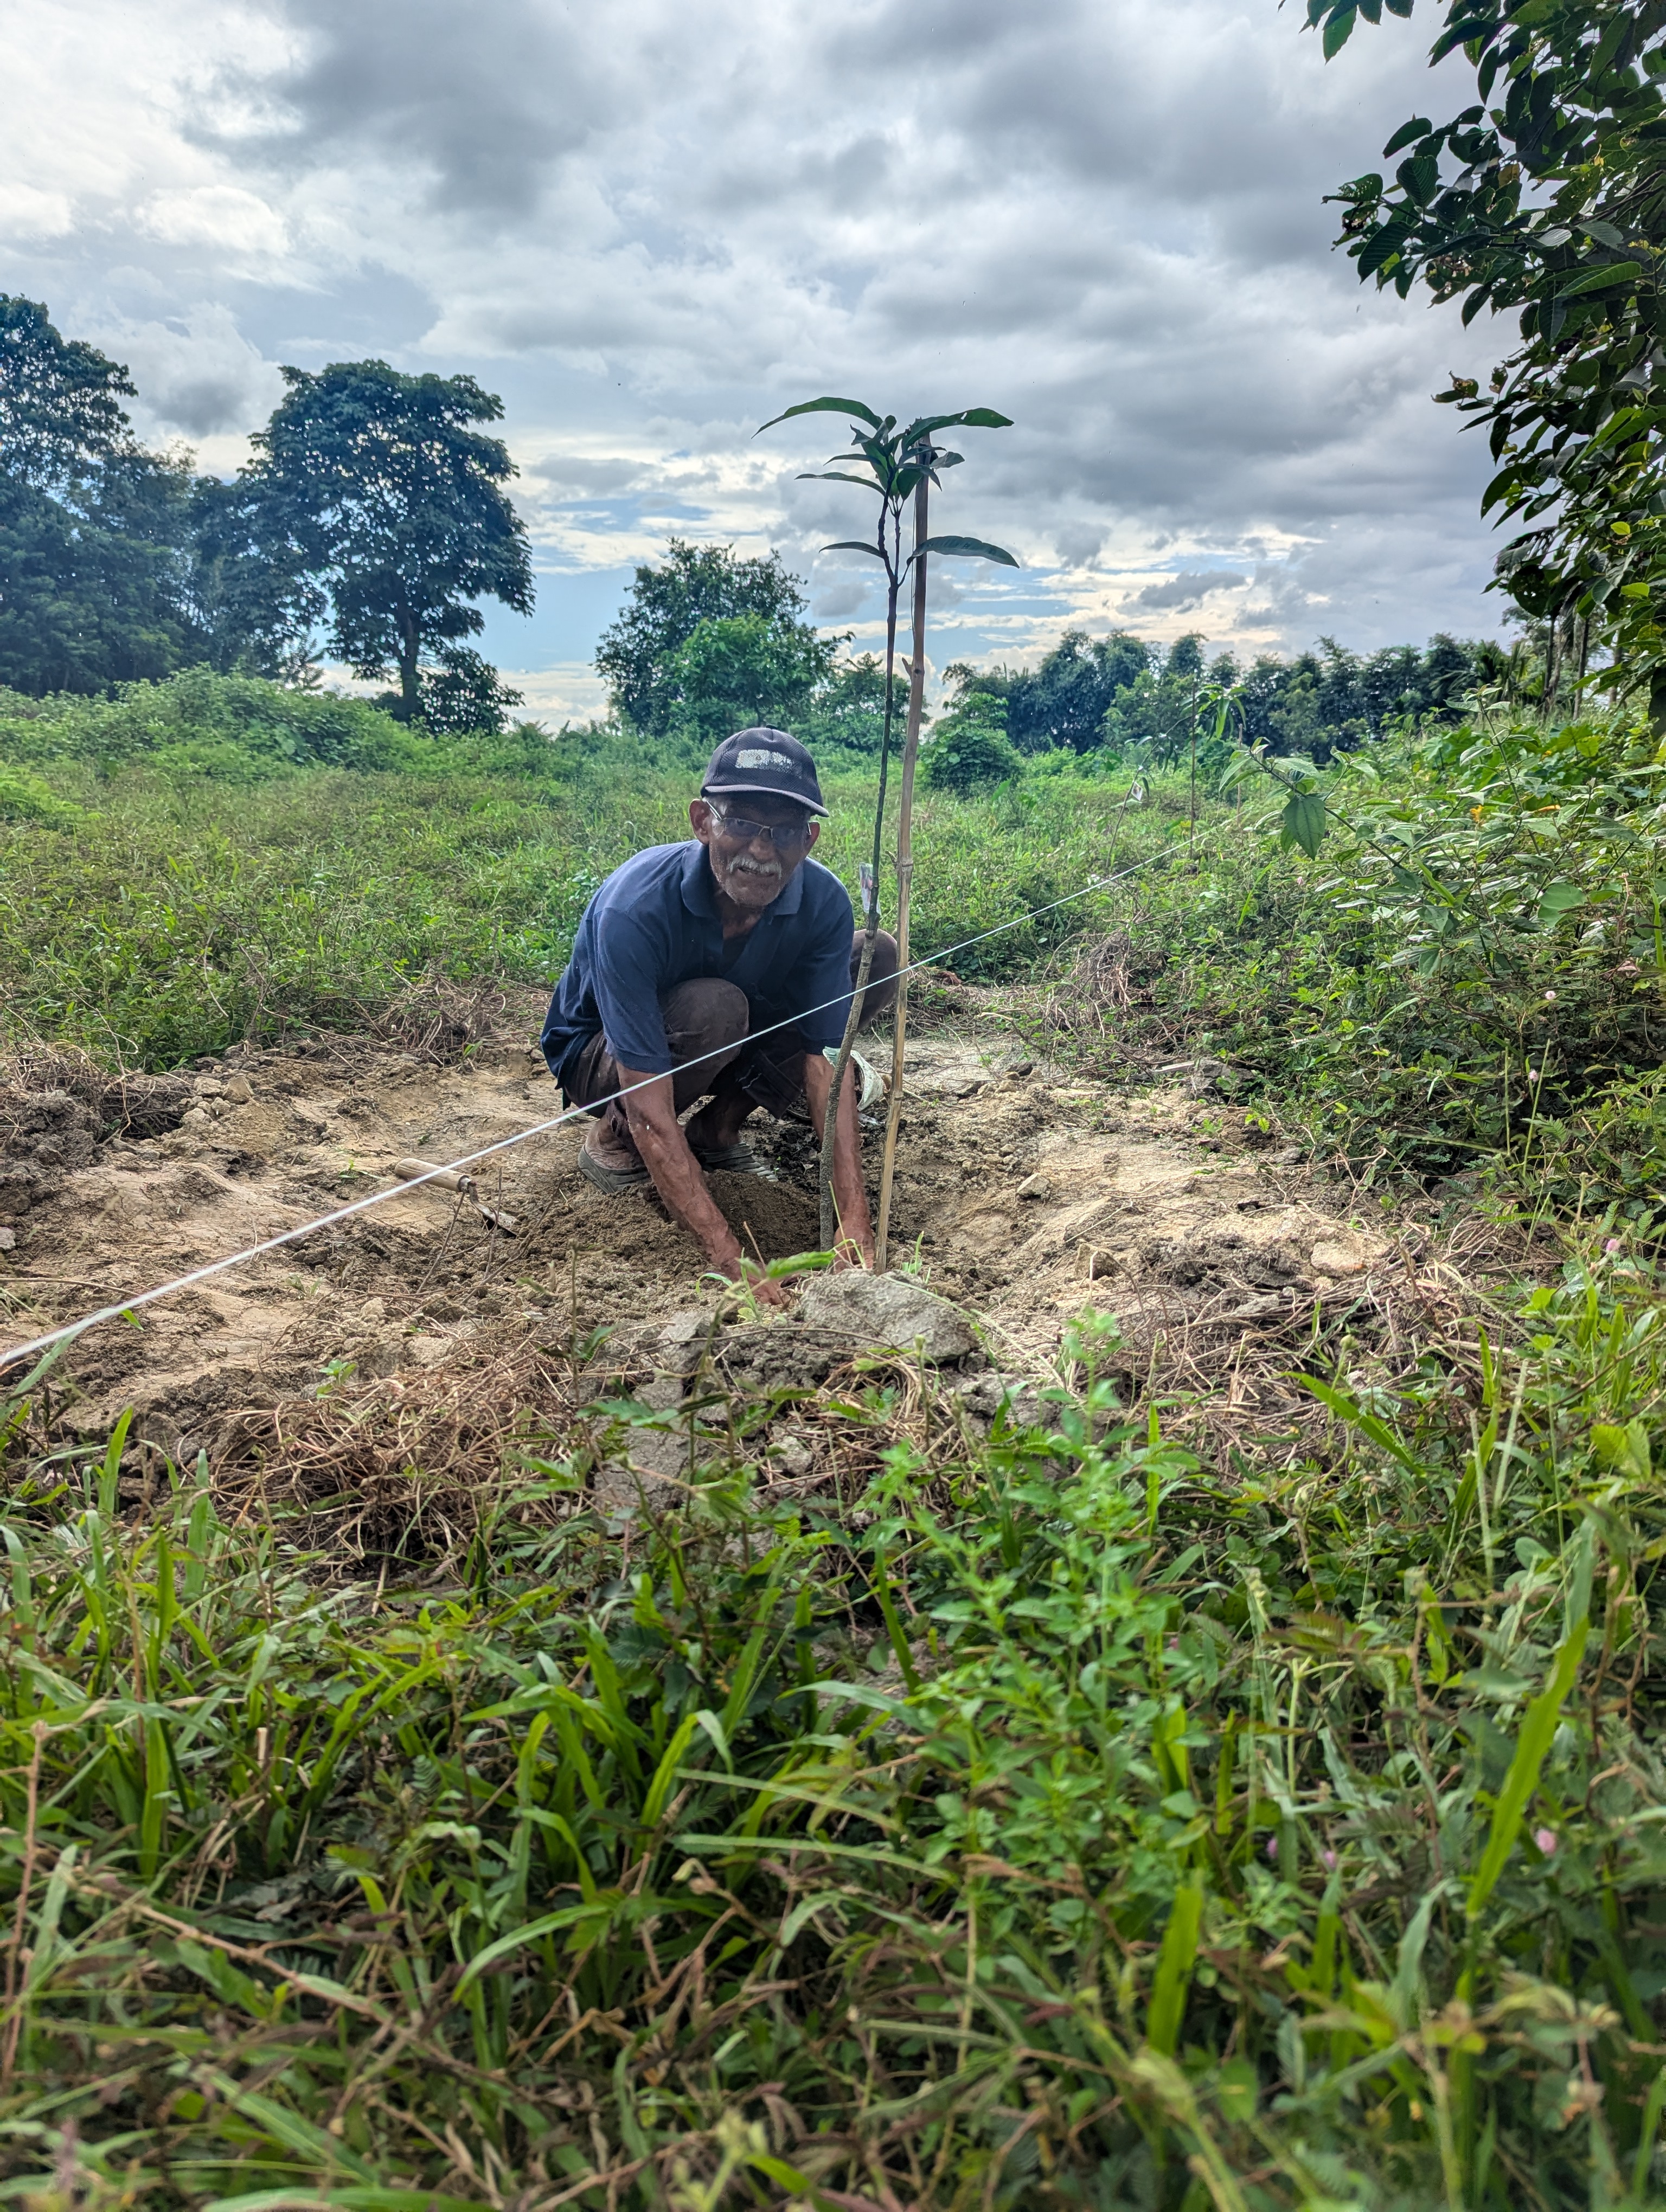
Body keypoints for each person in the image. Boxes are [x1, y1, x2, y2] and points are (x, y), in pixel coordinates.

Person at [541, 728, 897, 1303]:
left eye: (782, 832)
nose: (761, 851)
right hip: (602, 1054)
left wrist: (852, 1224)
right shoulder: (635, 906)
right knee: (715, 1009)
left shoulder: (823, 901)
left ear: (809, 839)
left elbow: (823, 1064)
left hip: (731, 1024)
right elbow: (646, 1093)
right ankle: (614, 1140)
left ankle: (716, 1129)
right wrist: (729, 1257)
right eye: (741, 824)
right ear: (703, 821)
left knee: (873, 957)